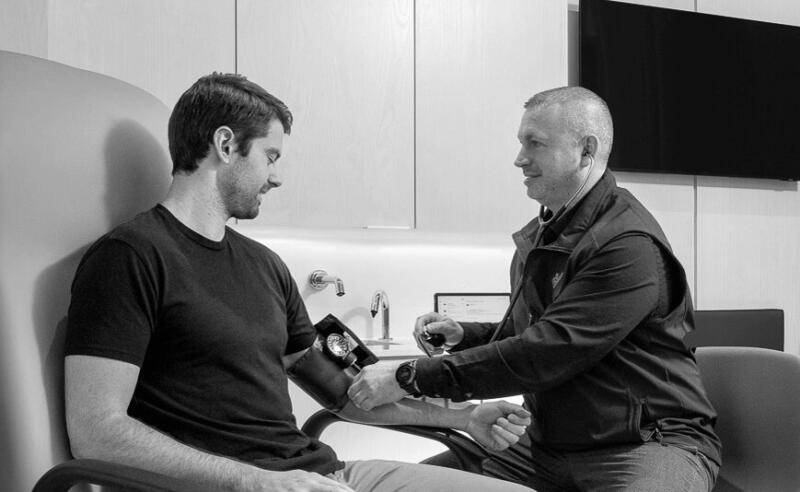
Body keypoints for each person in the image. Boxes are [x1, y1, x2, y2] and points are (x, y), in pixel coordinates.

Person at [63, 73, 535, 492]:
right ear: (225, 145)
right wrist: (255, 481)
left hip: (321, 475)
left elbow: (344, 391)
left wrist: (463, 417)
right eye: (270, 156)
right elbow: (97, 433)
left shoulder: (265, 265)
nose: (277, 177)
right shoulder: (130, 257)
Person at [347, 86, 722, 491]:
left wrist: (409, 377)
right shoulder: (548, 234)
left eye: (535, 143)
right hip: (548, 446)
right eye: (521, 143)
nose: (520, 158)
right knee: (406, 485)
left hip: (645, 445)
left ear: (586, 150)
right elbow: (532, 332)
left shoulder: (626, 244)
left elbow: (549, 352)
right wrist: (464, 335)